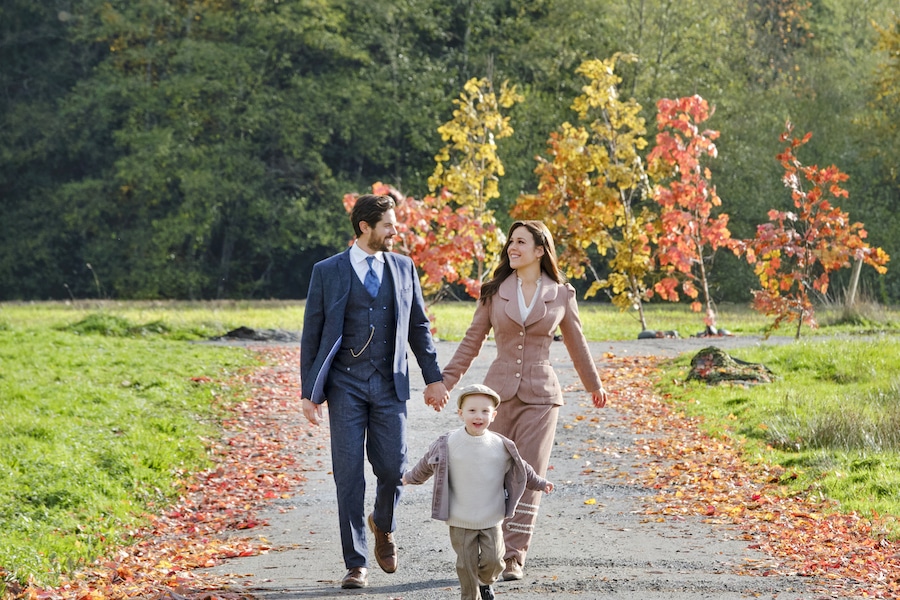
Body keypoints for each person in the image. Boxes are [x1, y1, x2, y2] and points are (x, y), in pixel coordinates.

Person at [441, 220, 609, 581]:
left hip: (542, 397)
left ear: (539, 250)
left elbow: (577, 343)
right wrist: (445, 381)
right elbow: (472, 341)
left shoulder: (561, 294)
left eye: (520, 242)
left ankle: (515, 556)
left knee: (527, 473)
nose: (511, 248)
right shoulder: (494, 291)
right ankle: (491, 545)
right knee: (490, 471)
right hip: (495, 397)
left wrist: (594, 384)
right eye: (510, 242)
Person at [300, 194, 450, 590]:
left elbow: (419, 326)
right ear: (365, 227)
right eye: (388, 224)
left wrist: (434, 378)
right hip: (345, 385)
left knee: (392, 470)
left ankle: (383, 524)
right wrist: (308, 392)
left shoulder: (404, 268)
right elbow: (311, 334)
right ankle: (356, 562)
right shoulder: (327, 271)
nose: (395, 230)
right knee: (348, 476)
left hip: (389, 384)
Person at [402, 384, 553, 600]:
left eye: (485, 411)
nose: (478, 416)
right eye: (472, 411)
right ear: (461, 413)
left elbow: (523, 468)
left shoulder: (501, 445)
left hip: (491, 516)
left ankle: (485, 581)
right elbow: (427, 463)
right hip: (460, 518)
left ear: (494, 415)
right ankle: (470, 596)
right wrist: (409, 477)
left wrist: (540, 483)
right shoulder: (448, 443)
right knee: (466, 565)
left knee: (495, 560)